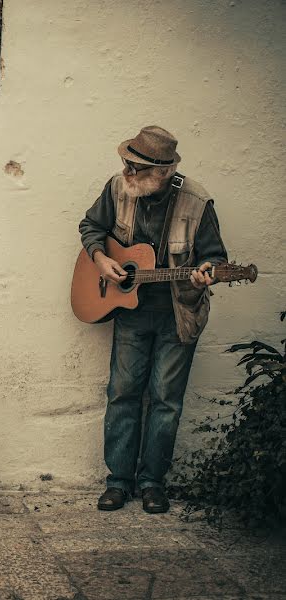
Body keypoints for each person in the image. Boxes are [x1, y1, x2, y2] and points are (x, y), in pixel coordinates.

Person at [78, 126, 227, 513]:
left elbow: (216, 259)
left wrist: (206, 272)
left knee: (166, 401)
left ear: (160, 173)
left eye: (136, 167)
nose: (126, 170)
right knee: (123, 394)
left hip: (178, 317)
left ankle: (152, 483)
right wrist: (101, 259)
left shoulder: (196, 202)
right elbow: (91, 227)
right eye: (127, 162)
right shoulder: (117, 188)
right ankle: (118, 482)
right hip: (129, 313)